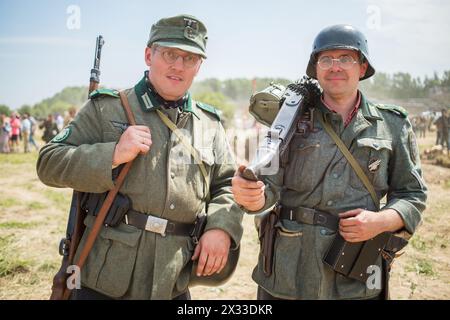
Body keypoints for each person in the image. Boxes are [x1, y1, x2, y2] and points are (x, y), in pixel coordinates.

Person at [37, 14, 243, 300]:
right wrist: (112, 154)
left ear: (199, 66)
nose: (178, 65)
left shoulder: (209, 123)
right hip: (104, 277)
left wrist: (221, 228)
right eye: (170, 53)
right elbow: (48, 162)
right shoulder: (108, 108)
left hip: (172, 280)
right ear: (149, 55)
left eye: (190, 58)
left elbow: (227, 185)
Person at [232, 24, 427, 300]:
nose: (335, 66)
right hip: (289, 273)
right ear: (316, 69)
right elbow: (267, 187)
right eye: (326, 59)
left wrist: (380, 221)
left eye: (346, 58)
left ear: (362, 67)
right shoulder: (290, 118)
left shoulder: (392, 125)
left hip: (357, 274)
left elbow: (412, 194)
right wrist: (251, 196)